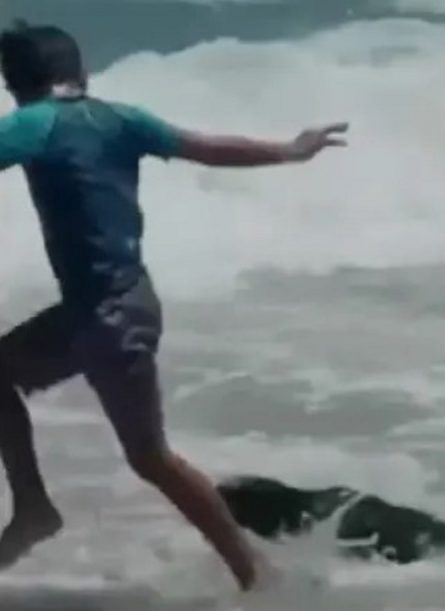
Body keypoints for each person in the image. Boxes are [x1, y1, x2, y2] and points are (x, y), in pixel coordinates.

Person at [0, 21, 347, 591]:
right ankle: (36, 510)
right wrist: (289, 150)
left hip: (103, 319)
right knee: (136, 449)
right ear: (80, 72)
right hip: (123, 306)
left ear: (15, 84)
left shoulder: (32, 123)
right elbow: (209, 148)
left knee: (150, 456)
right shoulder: (122, 118)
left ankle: (253, 573)